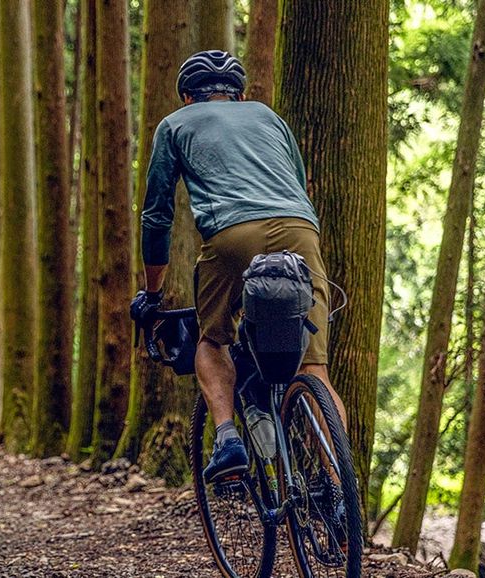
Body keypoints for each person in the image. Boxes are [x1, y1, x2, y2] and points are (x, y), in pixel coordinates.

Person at [130, 50, 346, 483]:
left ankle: (228, 438)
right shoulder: (268, 117)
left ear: (187, 97)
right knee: (314, 368)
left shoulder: (174, 125)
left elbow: (156, 216)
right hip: (299, 230)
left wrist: (152, 294)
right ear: (240, 94)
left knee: (212, 340)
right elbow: (299, 182)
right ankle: (342, 494)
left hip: (231, 236)